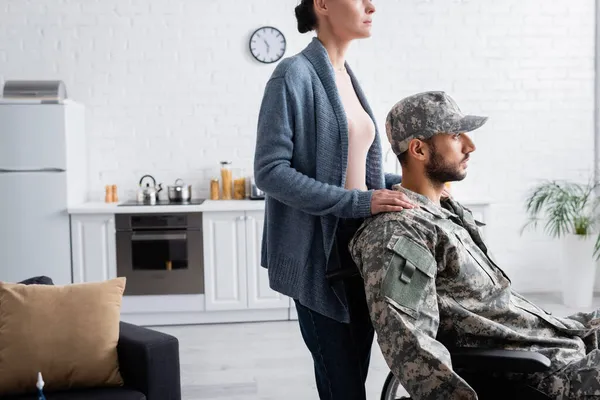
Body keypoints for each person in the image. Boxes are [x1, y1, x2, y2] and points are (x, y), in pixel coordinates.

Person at [349, 90, 600, 399]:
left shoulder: (444, 212)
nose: (470, 146)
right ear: (419, 149)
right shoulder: (401, 233)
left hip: (554, 339)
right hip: (544, 373)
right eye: (456, 136)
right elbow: (411, 344)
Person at [253, 1, 418, 399]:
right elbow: (270, 172)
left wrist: (413, 185)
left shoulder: (346, 76)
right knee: (341, 385)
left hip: (360, 249)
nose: (371, 6)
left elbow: (360, 173)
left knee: (354, 377)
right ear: (323, 4)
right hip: (320, 254)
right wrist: (360, 203)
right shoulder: (292, 73)